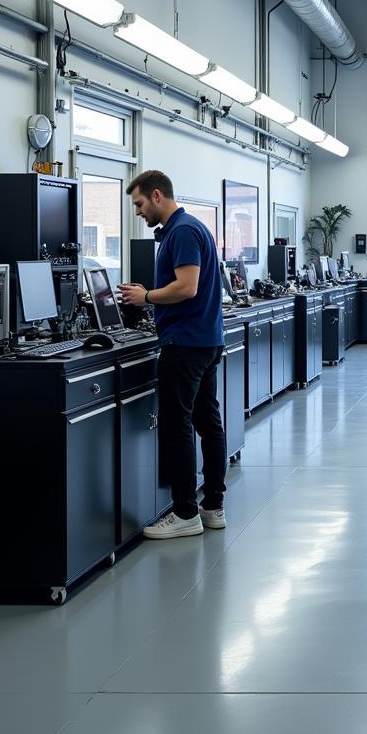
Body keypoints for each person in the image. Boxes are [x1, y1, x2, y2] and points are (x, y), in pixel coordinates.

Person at [118, 170, 227, 539]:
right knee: (208, 424)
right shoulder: (187, 228)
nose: (137, 212)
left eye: (138, 204)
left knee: (177, 426)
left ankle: (184, 514)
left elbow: (187, 287)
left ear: (157, 195)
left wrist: (145, 296)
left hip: (186, 344)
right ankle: (212, 507)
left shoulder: (181, 231)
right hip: (206, 340)